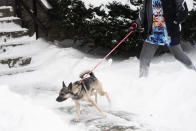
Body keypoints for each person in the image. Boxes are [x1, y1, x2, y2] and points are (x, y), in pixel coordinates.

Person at [129, 0, 196, 77]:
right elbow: (143, 13)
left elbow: (183, 9)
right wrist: (136, 23)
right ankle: (143, 79)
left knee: (179, 55)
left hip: (169, 33)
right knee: (144, 58)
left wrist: (176, 22)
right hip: (153, 33)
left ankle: (193, 72)